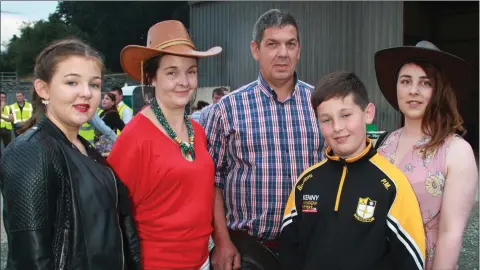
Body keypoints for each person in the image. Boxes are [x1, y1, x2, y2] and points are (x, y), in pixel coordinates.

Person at [0, 37, 141, 270]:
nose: (86, 93)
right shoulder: (30, 152)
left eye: (94, 85)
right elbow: (29, 258)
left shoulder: (87, 149)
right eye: (72, 83)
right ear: (43, 89)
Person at [204, 9, 325, 269]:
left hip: (309, 248)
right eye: (272, 44)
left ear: (299, 50)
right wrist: (222, 242)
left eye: (290, 44)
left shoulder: (321, 104)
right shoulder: (228, 109)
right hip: (249, 251)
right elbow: (211, 182)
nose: (283, 53)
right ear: (255, 49)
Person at [280, 71, 426, 270]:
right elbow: (289, 252)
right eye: (326, 120)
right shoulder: (306, 182)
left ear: (368, 113)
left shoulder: (393, 184)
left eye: (346, 115)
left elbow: (411, 259)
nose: (337, 127)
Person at [107, 20, 222, 270]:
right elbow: (112, 213)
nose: (184, 81)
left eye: (191, 71)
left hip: (201, 260)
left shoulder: (197, 131)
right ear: (152, 77)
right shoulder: (134, 137)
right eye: (172, 72)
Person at [374, 40, 478, 270]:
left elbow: (450, 235)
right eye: (405, 81)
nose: (413, 90)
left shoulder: (455, 151)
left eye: (425, 83)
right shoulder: (382, 145)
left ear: (438, 90)